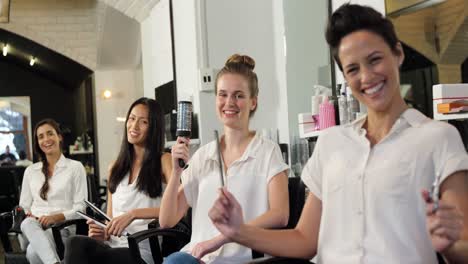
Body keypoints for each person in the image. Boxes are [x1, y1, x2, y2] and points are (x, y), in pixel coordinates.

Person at [208, 4, 468, 264]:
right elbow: (304, 239)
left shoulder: (439, 138)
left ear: (398, 53)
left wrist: (450, 248)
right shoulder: (332, 142)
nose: (366, 76)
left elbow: (463, 246)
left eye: (375, 59)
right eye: (353, 69)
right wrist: (238, 231)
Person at [161, 54, 290, 264]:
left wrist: (220, 239)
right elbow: (166, 220)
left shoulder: (267, 152)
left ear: (253, 102)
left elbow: (280, 214)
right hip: (197, 259)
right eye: (223, 94)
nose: (229, 102)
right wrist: (176, 173)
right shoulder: (203, 156)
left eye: (239, 95)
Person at [64, 97, 172, 264]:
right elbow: (110, 220)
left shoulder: (164, 160)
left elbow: (177, 209)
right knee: (74, 243)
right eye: (132, 119)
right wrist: (103, 232)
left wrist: (133, 214)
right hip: (113, 248)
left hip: (140, 252)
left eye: (143, 122)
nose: (134, 126)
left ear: (154, 127)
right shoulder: (115, 167)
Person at [19, 118, 88, 264]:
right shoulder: (31, 171)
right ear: (37, 142)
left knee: (33, 252)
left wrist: (55, 217)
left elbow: (81, 208)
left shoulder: (75, 167)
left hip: (62, 228)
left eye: (50, 134)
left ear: (59, 136)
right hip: (34, 226)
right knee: (26, 224)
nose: (46, 139)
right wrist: (28, 214)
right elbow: (23, 206)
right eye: (41, 136)